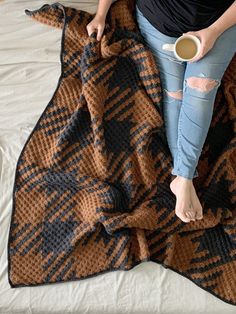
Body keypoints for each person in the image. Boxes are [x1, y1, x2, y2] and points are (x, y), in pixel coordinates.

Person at [86, 0, 236, 223]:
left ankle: (182, 178)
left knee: (201, 89)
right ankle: (184, 179)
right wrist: (100, 14)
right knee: (175, 95)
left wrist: (213, 32)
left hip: (219, 23)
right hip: (160, 23)